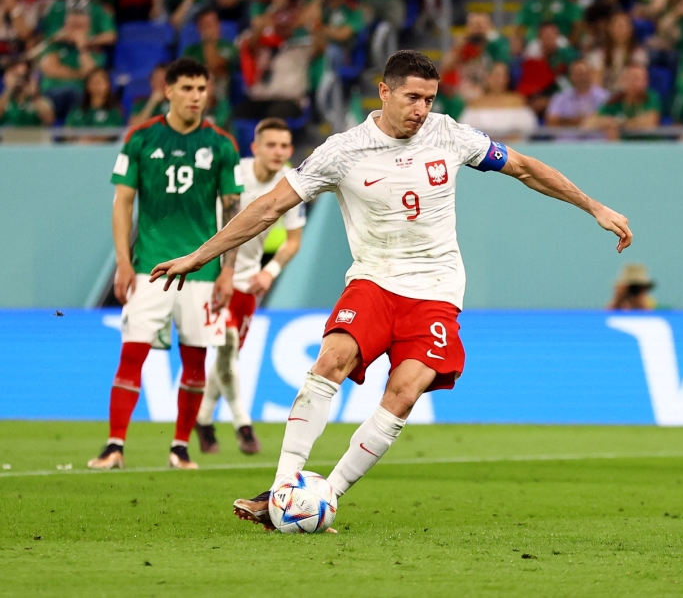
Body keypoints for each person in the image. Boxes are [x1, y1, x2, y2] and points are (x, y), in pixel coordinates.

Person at [148, 50, 632, 529]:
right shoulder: (342, 150)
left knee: (405, 391)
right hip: (374, 280)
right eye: (412, 97)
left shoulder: (450, 134)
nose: (422, 109)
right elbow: (270, 206)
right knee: (331, 361)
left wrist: (594, 207)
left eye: (430, 98)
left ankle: (323, 497)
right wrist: (199, 256)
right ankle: (283, 489)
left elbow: (524, 167)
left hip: (437, 290)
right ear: (384, 92)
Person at [87, 58, 243, 472]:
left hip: (203, 271)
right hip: (149, 268)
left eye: (202, 88)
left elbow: (232, 211)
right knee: (132, 353)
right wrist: (123, 261)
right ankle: (114, 446)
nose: (196, 96)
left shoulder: (222, 144)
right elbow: (122, 202)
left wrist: (228, 269)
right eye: (188, 88)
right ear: (168, 90)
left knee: (195, 361)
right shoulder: (141, 138)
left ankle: (180, 448)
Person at [194, 118, 306, 455]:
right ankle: (242, 422)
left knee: (227, 357)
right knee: (226, 344)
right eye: (270, 145)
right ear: (254, 148)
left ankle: (203, 419)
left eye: (284, 146)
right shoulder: (234, 175)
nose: (278, 152)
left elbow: (293, 241)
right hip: (212, 276)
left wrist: (269, 271)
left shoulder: (291, 184)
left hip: (248, 282)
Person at [585, 63, 661, 139]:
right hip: (624, 146)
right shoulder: (615, 100)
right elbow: (588, 123)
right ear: (623, 80)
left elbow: (649, 123)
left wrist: (618, 123)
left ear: (646, 82)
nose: (635, 83)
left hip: (648, 146)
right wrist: (605, 122)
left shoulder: (651, 97)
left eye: (639, 79)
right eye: (631, 78)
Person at [65, 67, 123, 142]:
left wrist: (91, 139)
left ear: (108, 85)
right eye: (93, 81)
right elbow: (67, 132)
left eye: (100, 81)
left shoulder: (114, 111)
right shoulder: (76, 110)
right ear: (87, 85)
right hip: (77, 148)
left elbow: (110, 134)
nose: (96, 84)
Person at [545, 59, 609, 127]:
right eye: (578, 74)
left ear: (591, 74)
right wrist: (582, 121)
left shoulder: (605, 97)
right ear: (571, 76)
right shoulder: (560, 97)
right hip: (567, 137)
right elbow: (551, 121)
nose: (582, 77)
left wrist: (565, 121)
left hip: (596, 137)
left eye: (585, 73)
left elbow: (611, 120)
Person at [0, 57, 55, 127]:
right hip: (10, 137)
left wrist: (34, 95)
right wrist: (8, 90)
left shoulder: (41, 100)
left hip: (34, 136)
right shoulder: (4, 100)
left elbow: (50, 121)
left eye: (23, 77)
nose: (19, 80)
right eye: (16, 76)